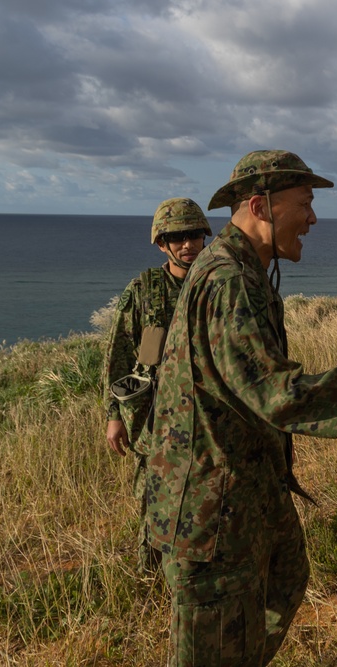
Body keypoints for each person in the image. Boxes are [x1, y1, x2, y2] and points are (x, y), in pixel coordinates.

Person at [144, 150, 337, 666]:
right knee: (213, 646)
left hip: (243, 491)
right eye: (304, 204)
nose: (313, 218)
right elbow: (276, 394)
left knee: (284, 580)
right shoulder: (228, 281)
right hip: (210, 510)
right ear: (262, 206)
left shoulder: (241, 271)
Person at [102, 197, 211, 573]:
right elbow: (118, 353)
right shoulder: (144, 289)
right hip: (155, 421)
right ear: (162, 243)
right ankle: (150, 577)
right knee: (152, 500)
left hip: (207, 417)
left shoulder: (216, 284)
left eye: (194, 235)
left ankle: (193, 570)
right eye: (177, 237)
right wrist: (114, 414)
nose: (188, 245)